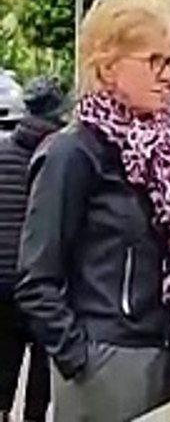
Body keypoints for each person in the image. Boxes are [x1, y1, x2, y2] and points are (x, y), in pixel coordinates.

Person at [16, 0, 170, 421]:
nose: (169, 77)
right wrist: (79, 358)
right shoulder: (73, 152)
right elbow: (37, 277)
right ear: (108, 68)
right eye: (155, 61)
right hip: (108, 360)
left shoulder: (162, 150)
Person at [0, 78, 67, 422]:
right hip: (43, 282)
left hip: (2, 281)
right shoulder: (61, 157)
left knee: (4, 360)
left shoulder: (3, 152)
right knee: (42, 365)